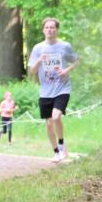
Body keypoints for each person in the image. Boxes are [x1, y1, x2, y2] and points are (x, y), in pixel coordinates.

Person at [28, 17, 80, 163]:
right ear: (43, 30)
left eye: (53, 27)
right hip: (45, 91)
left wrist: (66, 70)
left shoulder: (64, 46)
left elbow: (76, 60)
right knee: (49, 122)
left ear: (56, 30)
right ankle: (56, 152)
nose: (50, 29)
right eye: (47, 27)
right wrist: (39, 60)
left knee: (56, 116)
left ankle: (62, 145)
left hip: (62, 87)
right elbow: (32, 71)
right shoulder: (38, 48)